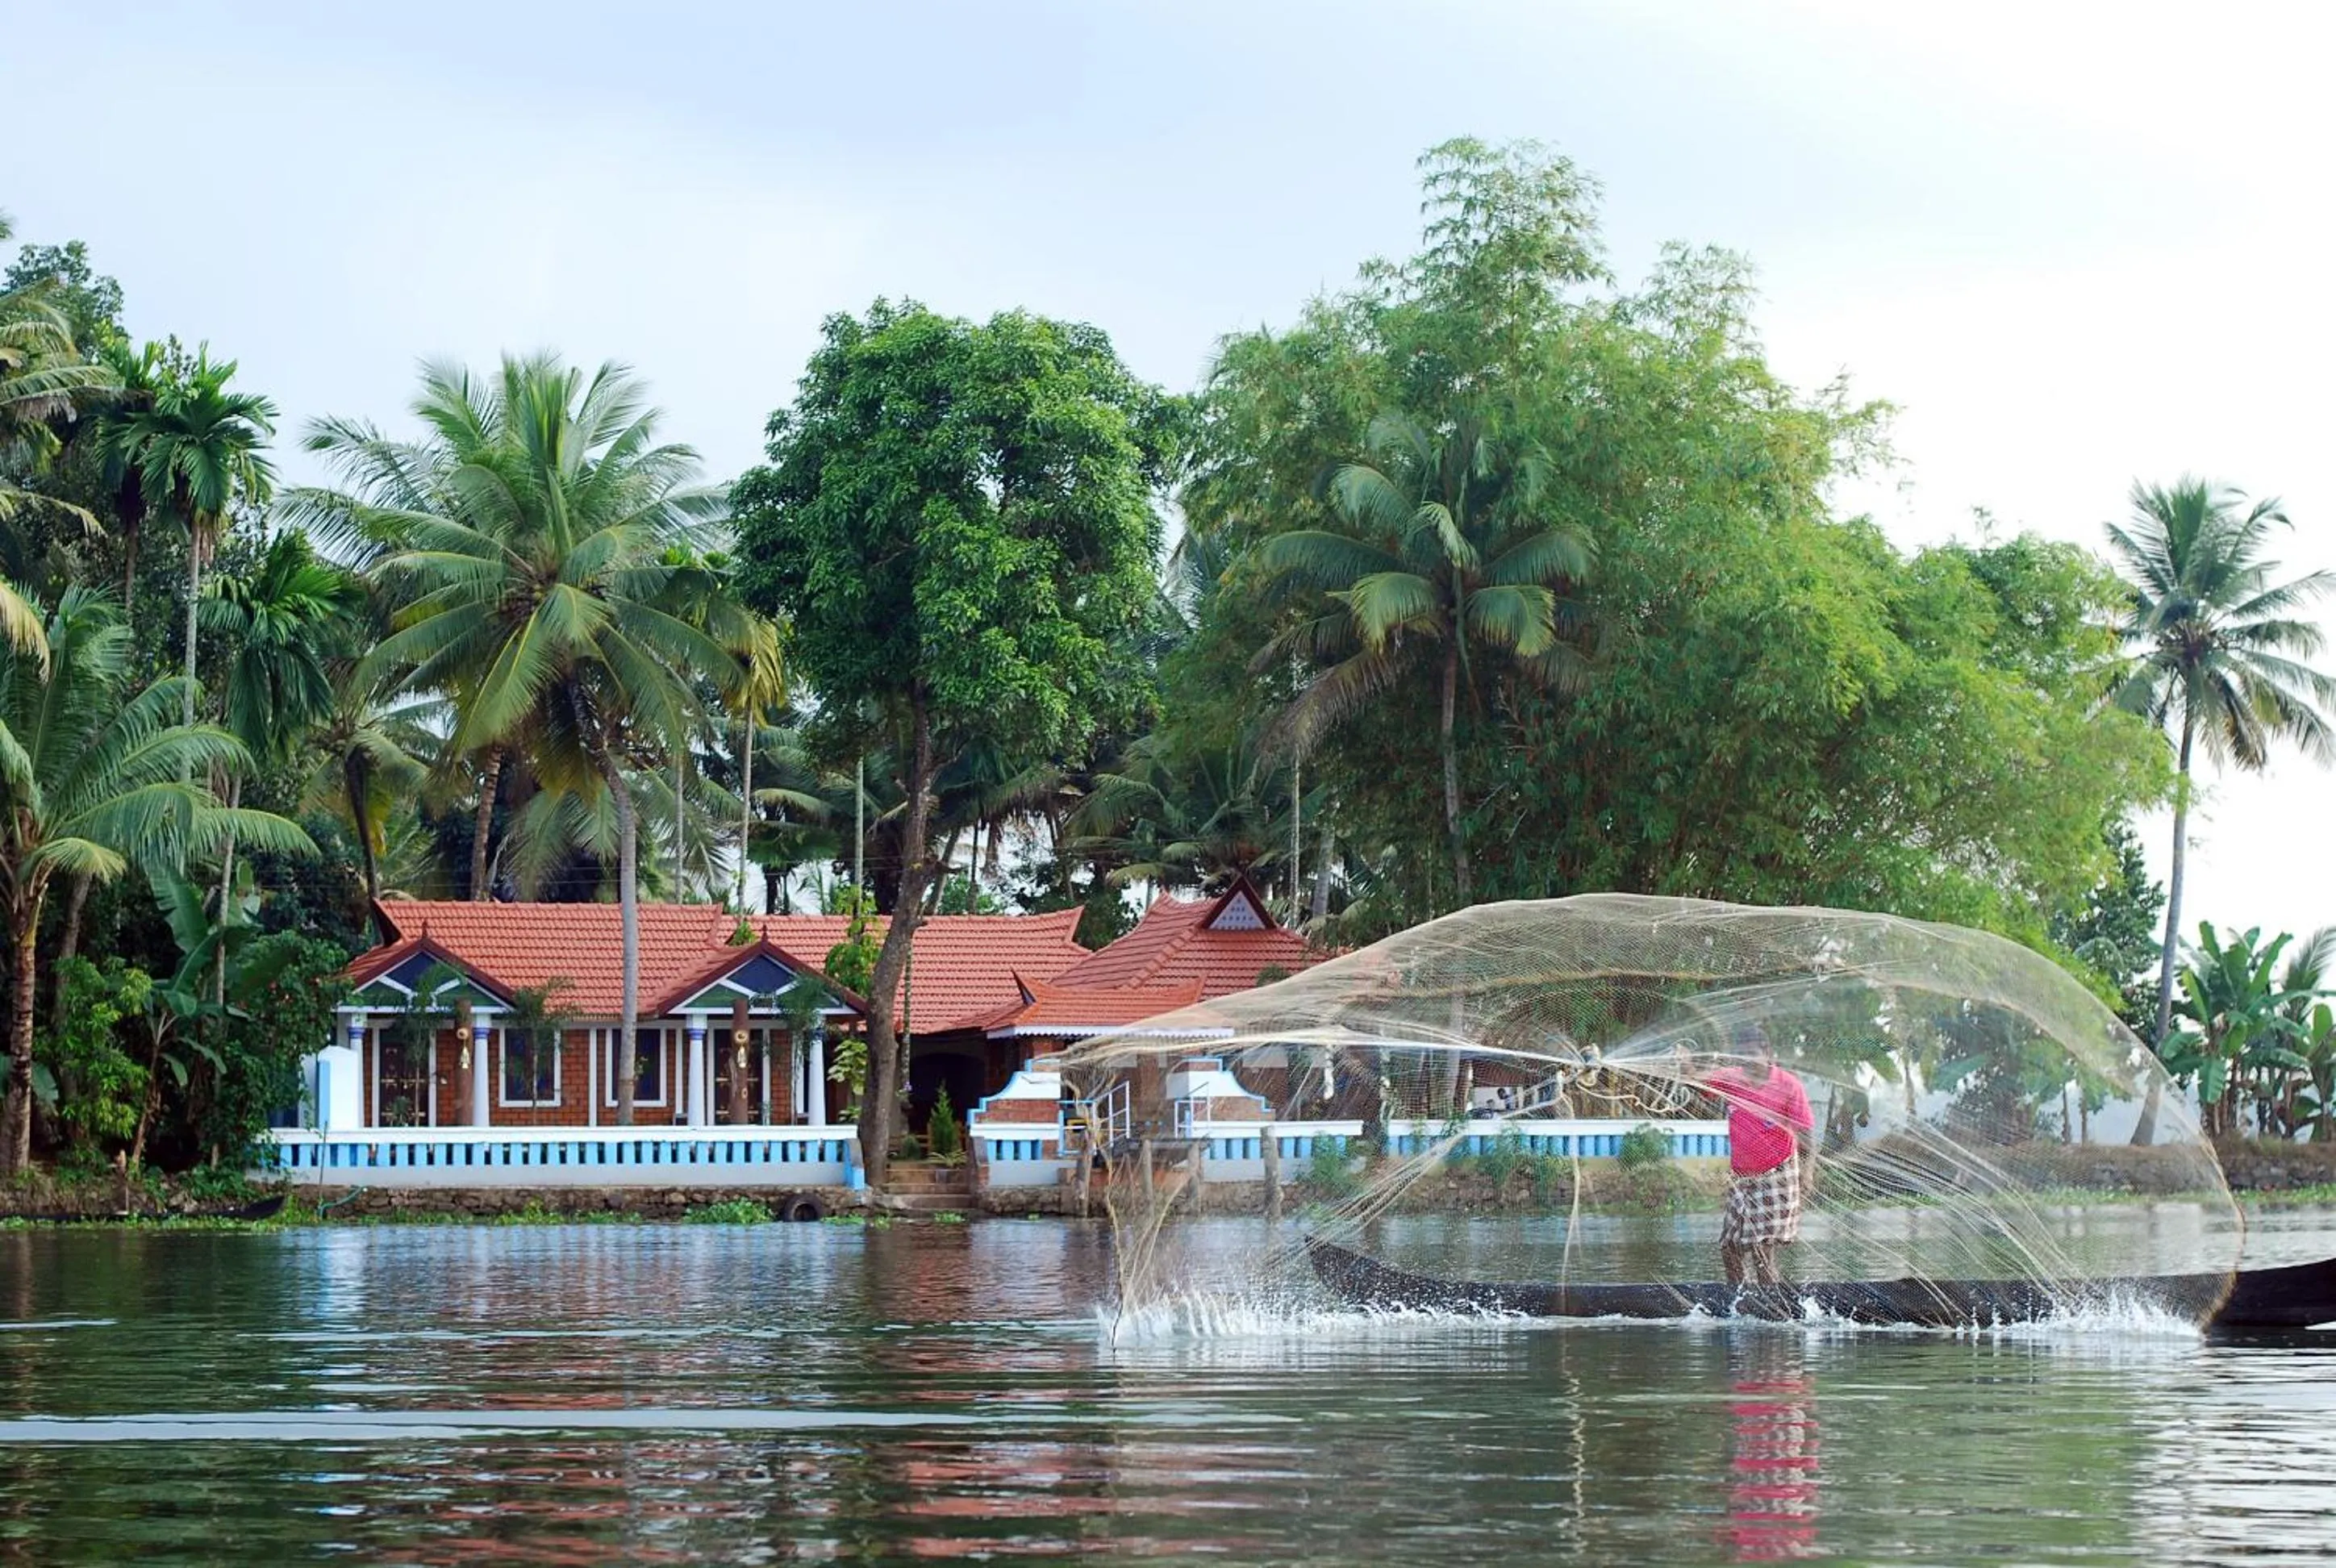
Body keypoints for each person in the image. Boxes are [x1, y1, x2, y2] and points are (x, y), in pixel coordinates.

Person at [1705, 1028, 1817, 1288]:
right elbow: (1698, 1081)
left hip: (1777, 1174)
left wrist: (1808, 1172)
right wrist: (1685, 1064)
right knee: (1729, 1247)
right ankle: (1739, 1300)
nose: (1747, 1060)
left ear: (1767, 1054)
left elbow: (1808, 1136)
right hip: (1742, 1178)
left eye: (1752, 1053)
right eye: (1741, 1055)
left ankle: (1771, 1306)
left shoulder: (1789, 1085)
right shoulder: (1730, 1078)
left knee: (1761, 1248)